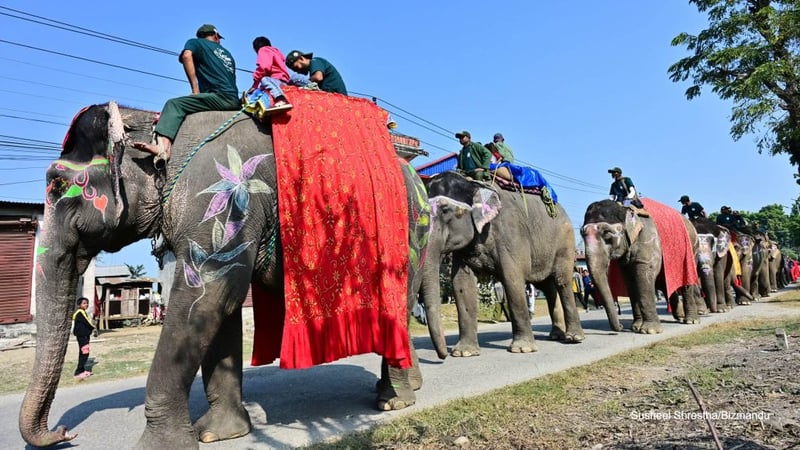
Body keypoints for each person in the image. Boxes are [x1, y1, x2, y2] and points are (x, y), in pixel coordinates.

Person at [133, 24, 240, 165]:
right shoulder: (228, 54)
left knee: (174, 104)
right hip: (234, 100)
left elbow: (186, 55)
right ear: (215, 36)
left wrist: (195, 90)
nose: (219, 41)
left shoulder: (196, 42)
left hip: (219, 97)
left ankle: (163, 148)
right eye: (219, 38)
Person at [245, 36, 292, 114]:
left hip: (275, 81)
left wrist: (255, 82)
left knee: (264, 79)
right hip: (284, 81)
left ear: (255, 49)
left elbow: (264, 67)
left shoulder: (263, 50)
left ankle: (280, 99)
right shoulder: (276, 53)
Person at [72, 297, 95, 380]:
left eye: (87, 303)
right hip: (82, 336)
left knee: (83, 353)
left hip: (84, 335)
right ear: (79, 304)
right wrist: (93, 327)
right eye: (84, 303)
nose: (86, 305)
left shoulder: (83, 312)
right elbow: (88, 323)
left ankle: (82, 370)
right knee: (85, 352)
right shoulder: (80, 312)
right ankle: (78, 372)